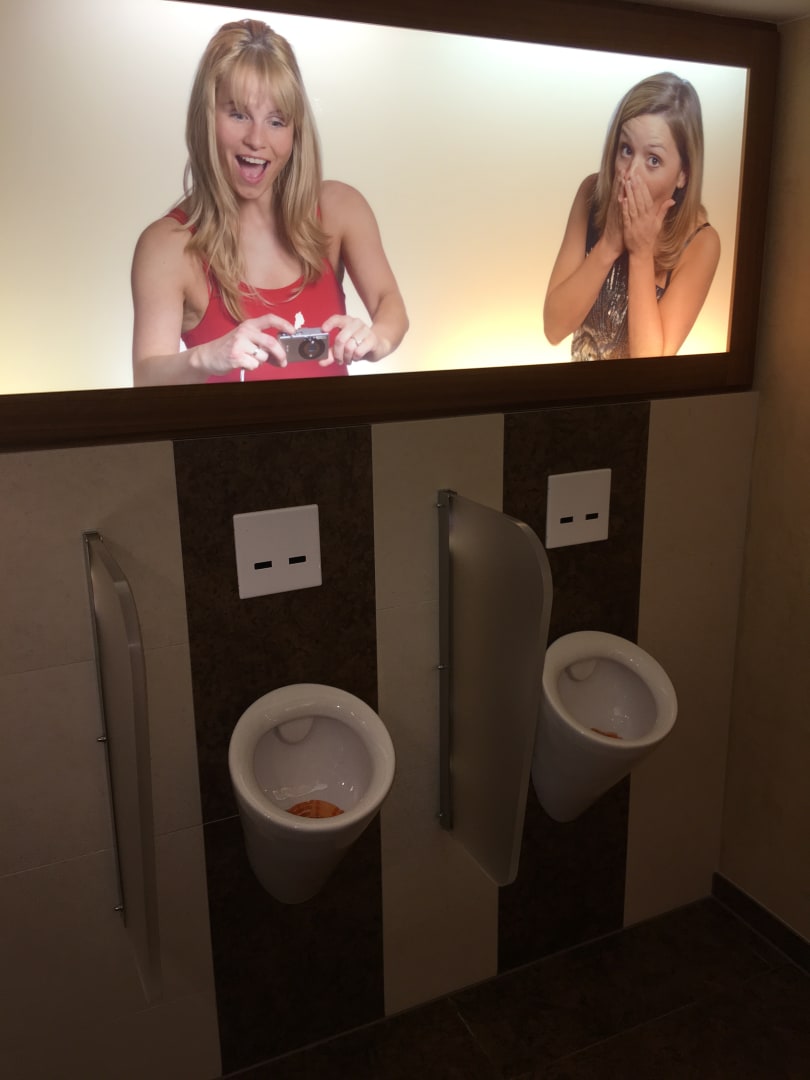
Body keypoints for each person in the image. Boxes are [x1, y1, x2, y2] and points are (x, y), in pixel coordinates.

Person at [132, 19, 408, 385]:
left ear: (295, 131)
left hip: (339, 425)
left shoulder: (339, 209)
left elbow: (390, 304)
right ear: (206, 118)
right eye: (238, 114)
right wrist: (207, 356)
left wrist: (377, 338)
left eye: (276, 121)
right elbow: (147, 378)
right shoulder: (167, 244)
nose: (257, 140)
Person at [543, 72, 720, 362]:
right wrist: (609, 244)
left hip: (640, 394)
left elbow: (649, 366)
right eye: (626, 150)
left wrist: (641, 253)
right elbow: (553, 328)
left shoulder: (702, 242)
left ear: (683, 174)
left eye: (653, 160)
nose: (630, 174)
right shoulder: (591, 193)